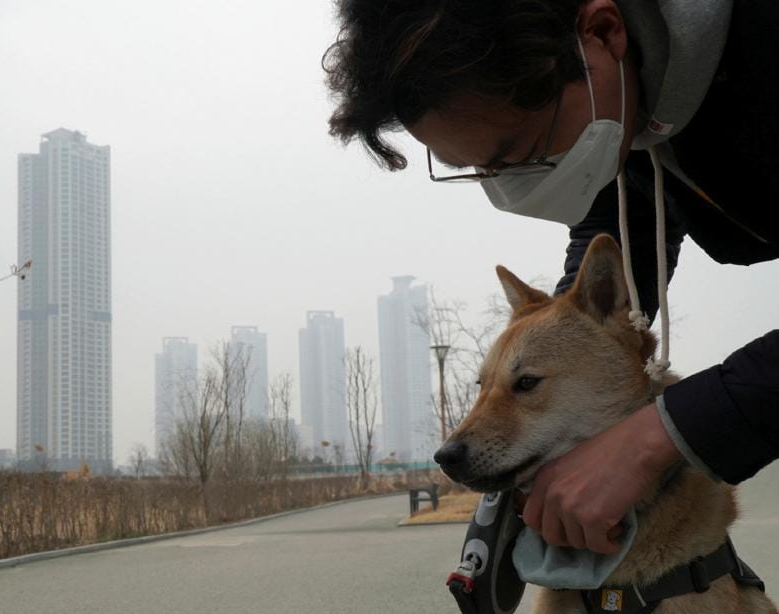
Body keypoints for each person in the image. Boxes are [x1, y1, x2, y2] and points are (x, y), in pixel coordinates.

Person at [322, 0, 778, 556]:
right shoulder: (622, 108)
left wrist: (657, 436)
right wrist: (562, 342)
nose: (510, 187)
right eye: (480, 171)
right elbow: (619, 221)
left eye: (519, 152)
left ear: (603, 33)